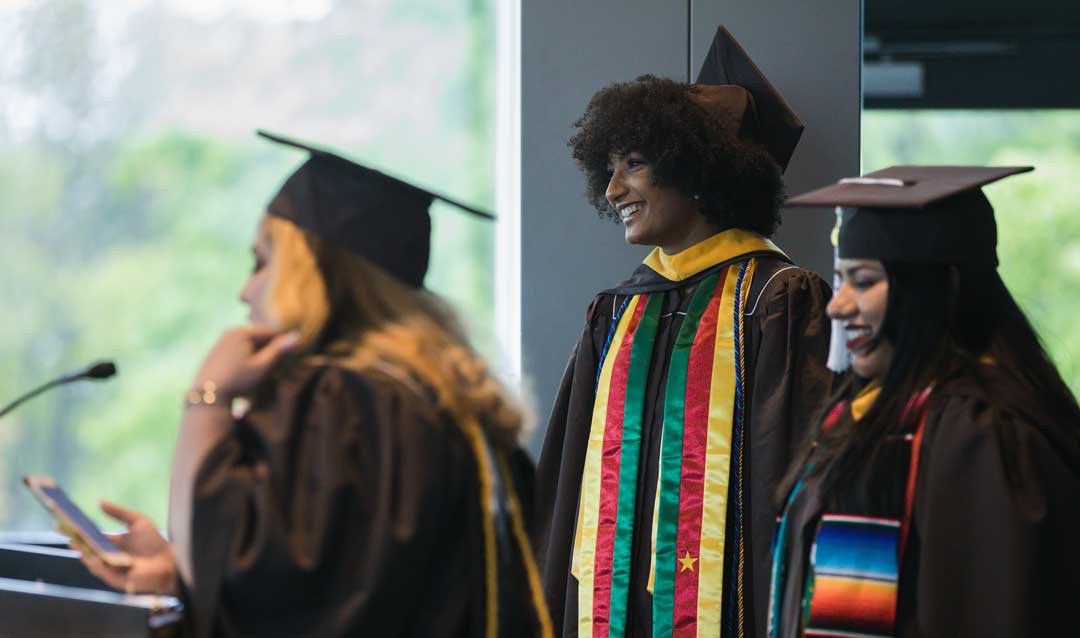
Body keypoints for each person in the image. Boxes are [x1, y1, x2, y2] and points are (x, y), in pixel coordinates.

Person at [70, 130, 553, 637]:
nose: (246, 290)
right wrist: (181, 575)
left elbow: (274, 601)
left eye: (262, 262)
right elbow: (329, 591)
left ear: (311, 274)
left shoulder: (342, 403)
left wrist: (207, 398)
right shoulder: (443, 404)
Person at [535, 26, 833, 638]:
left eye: (635, 166)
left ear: (698, 170)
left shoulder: (779, 303)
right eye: (609, 170)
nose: (613, 189)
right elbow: (565, 501)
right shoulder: (615, 314)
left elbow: (801, 489)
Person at [769, 166, 1080, 637]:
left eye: (865, 281)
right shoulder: (856, 417)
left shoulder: (984, 433)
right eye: (842, 279)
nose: (837, 304)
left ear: (937, 291)